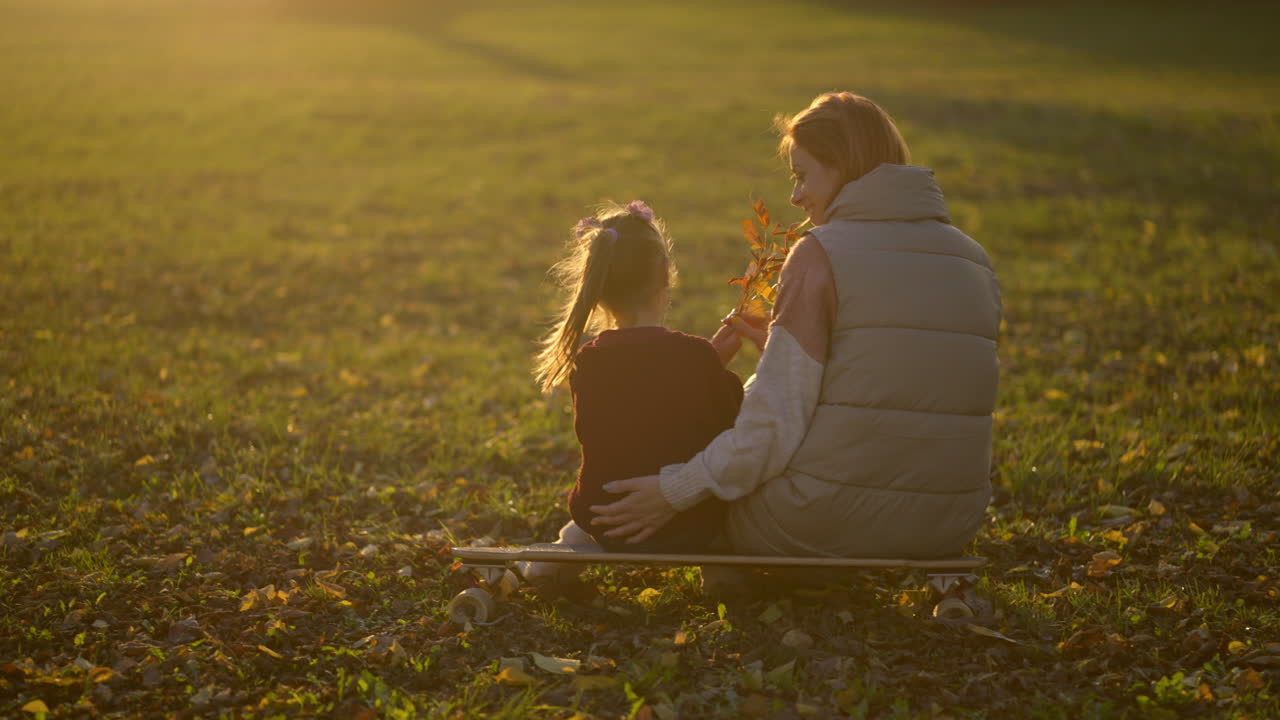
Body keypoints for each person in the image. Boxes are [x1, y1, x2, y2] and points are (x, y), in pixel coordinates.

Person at [590, 92, 1002, 560]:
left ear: (844, 164)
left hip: (821, 520)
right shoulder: (973, 258)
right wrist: (786, 356)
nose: (795, 196)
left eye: (802, 176)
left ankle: (583, 534)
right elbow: (910, 384)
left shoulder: (820, 252)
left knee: (705, 448)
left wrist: (676, 489)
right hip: (948, 525)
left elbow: (775, 422)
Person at [530, 200, 745, 559]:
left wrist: (709, 364)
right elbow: (731, 425)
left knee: (574, 533)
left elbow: (636, 408)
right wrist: (716, 370)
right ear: (664, 273)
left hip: (606, 518)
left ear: (597, 286)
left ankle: (548, 567)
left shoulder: (589, 361)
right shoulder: (694, 356)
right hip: (693, 521)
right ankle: (721, 576)